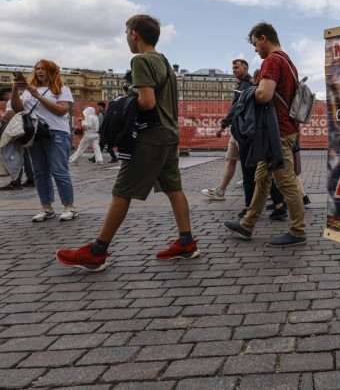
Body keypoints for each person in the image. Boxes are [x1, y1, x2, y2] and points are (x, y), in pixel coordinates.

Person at [55, 14, 200, 271]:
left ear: (134, 33)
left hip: (149, 137)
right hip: (168, 135)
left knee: (121, 192)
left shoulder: (141, 61)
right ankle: (186, 243)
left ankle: (97, 252)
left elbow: (147, 102)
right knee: (173, 188)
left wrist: (126, 96)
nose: (126, 38)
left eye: (126, 33)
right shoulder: (164, 62)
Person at [223, 22, 306, 247]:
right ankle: (247, 224)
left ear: (263, 38)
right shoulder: (288, 61)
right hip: (282, 129)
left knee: (286, 182)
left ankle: (298, 231)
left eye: (254, 44)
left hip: (277, 132)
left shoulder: (272, 60)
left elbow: (264, 94)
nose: (255, 50)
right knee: (261, 178)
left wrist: (248, 93)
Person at [10, 60, 77, 221]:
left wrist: (38, 96)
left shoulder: (62, 89)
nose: (40, 72)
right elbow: (18, 109)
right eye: (38, 69)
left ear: (52, 72)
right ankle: (47, 208)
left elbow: (61, 110)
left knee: (59, 170)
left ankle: (69, 207)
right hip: (35, 134)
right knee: (40, 172)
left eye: (44, 69)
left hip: (56, 133)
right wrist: (15, 90)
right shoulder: (28, 90)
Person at [201, 59, 254, 201]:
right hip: (237, 130)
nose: (233, 70)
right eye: (232, 68)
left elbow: (235, 108)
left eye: (236, 67)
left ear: (245, 68)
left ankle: (265, 194)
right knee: (231, 159)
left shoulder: (247, 85)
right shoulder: (241, 84)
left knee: (250, 165)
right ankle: (220, 191)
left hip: (242, 130)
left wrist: (222, 126)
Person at [0, 87, 35, 189]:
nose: (5, 100)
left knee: (15, 154)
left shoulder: (12, 100)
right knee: (25, 155)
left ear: (7, 94)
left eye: (3, 98)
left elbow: (8, 116)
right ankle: (31, 179)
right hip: (25, 130)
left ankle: (16, 181)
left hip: (16, 132)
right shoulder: (23, 99)